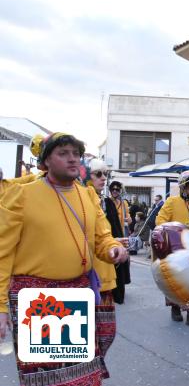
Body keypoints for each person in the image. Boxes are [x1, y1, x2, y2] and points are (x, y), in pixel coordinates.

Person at [0, 132, 128, 386]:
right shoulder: (20, 195)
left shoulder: (88, 196)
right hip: (37, 298)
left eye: (76, 154)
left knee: (84, 376)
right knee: (48, 378)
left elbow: (103, 237)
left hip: (77, 292)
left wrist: (113, 249)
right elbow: (2, 252)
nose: (73, 160)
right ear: (46, 161)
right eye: (63, 153)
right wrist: (0, 306)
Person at [79, 156, 119, 372]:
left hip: (106, 276)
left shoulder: (106, 202)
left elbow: (106, 234)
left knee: (106, 332)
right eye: (98, 174)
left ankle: (94, 366)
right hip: (84, 278)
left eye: (106, 174)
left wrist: (115, 244)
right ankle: (91, 370)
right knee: (83, 336)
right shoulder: (81, 198)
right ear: (85, 175)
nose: (104, 178)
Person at [156, 170, 189, 327]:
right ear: (183, 186)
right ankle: (175, 308)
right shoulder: (171, 201)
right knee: (175, 279)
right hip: (175, 248)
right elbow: (160, 221)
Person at [104, 180, 131, 304]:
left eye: (117, 189)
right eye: (113, 189)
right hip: (111, 232)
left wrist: (128, 219)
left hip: (122, 232)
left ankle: (121, 283)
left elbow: (129, 219)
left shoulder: (123, 203)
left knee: (123, 260)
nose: (115, 191)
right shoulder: (106, 202)